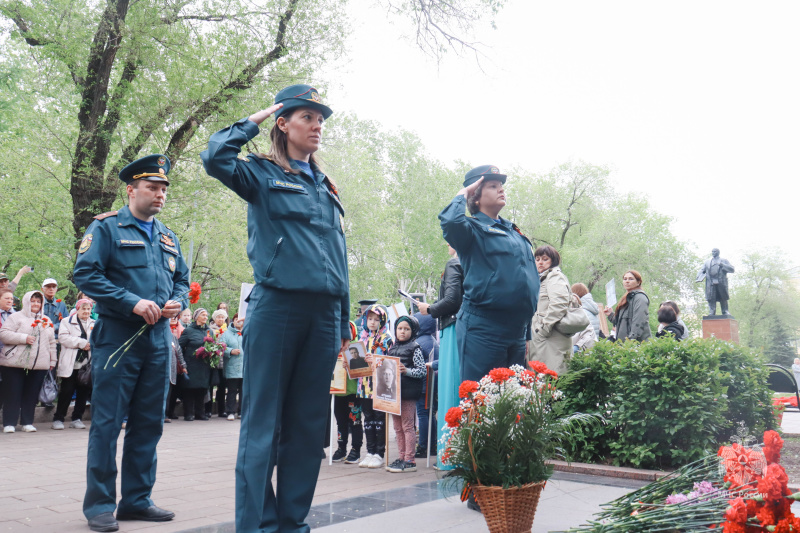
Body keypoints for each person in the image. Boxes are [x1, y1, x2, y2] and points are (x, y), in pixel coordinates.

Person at [200, 84, 351, 532]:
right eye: (307, 116)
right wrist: (257, 117)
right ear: (284, 122)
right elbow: (214, 158)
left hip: (323, 315)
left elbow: (337, 256)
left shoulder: (324, 185)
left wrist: (343, 320)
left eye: (321, 118)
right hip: (278, 307)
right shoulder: (261, 174)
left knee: (307, 429)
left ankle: (292, 523)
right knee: (262, 424)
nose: (318, 124)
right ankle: (257, 526)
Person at [73, 153, 189, 532]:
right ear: (132, 190)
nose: (160, 195)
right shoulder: (106, 228)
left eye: (163, 189)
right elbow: (86, 274)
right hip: (117, 338)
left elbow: (182, 282)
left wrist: (178, 301)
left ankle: (137, 500)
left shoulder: (169, 237)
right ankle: (100, 506)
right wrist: (132, 301)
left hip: (158, 342)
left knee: (149, 424)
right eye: (152, 188)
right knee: (107, 424)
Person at [439, 165, 540, 383]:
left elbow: (526, 286)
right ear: (476, 197)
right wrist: (463, 193)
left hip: (517, 330)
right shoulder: (470, 229)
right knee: (483, 402)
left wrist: (527, 334)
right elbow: (450, 221)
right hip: (484, 329)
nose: (501, 189)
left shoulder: (513, 231)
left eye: (501, 185)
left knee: (514, 405)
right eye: (493, 186)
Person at [415, 244, 462, 468]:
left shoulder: (455, 263)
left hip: (452, 325)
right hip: (467, 326)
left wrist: (430, 308)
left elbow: (452, 299)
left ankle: (450, 455)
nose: (446, 244)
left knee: (450, 387)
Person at [0, 290, 57, 432]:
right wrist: (23, 338)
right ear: (26, 301)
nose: (36, 304)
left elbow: (52, 342)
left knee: (31, 394)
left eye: (38, 301)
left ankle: (27, 422)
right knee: (12, 393)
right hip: (14, 363)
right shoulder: (15, 317)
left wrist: (52, 360)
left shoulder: (47, 320)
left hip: (39, 364)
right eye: (33, 301)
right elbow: (4, 334)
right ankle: (9, 423)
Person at [386, 316, 426, 473]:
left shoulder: (415, 348)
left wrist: (407, 371)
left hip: (408, 392)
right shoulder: (392, 347)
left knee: (407, 426)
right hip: (393, 392)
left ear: (413, 331)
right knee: (397, 427)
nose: (402, 331)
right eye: (400, 328)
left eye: (407, 329)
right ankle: (401, 457)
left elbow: (422, 370)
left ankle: (410, 459)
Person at [357, 304, 392, 468]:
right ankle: (369, 452)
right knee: (368, 419)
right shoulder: (361, 339)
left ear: (382, 321)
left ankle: (379, 453)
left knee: (380, 419)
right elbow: (355, 361)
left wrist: (376, 360)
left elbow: (391, 362)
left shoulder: (386, 338)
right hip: (363, 385)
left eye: (376, 319)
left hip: (380, 385)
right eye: (370, 318)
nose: (372, 322)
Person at [52, 298, 95, 430]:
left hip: (86, 364)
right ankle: (58, 418)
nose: (86, 311)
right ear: (78, 309)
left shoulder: (94, 323)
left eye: (89, 309)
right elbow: (63, 338)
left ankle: (77, 418)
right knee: (67, 391)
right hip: (70, 362)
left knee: (83, 392)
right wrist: (82, 343)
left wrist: (91, 345)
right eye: (84, 309)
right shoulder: (66, 321)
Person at [530, 245, 573, 376]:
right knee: (541, 379)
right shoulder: (541, 278)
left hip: (551, 338)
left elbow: (559, 304)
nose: (540, 262)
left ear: (553, 261)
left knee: (550, 379)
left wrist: (544, 328)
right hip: (543, 338)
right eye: (537, 259)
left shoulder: (554, 277)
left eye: (545, 259)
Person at [333, 321, 363, 465]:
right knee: (340, 422)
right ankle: (341, 448)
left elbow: (361, 372)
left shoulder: (356, 348)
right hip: (338, 393)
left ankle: (356, 450)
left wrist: (350, 365)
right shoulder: (333, 348)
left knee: (355, 421)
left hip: (353, 393)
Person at [179, 309, 213, 421]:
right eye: (203, 315)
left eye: (206, 315)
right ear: (196, 317)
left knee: (202, 388)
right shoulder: (188, 331)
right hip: (191, 363)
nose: (205, 317)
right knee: (189, 388)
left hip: (204, 364)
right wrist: (183, 363)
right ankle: (188, 413)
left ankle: (200, 413)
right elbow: (179, 346)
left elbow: (213, 345)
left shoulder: (209, 331)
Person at [412, 312, 438, 459]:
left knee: (422, 414)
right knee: (430, 414)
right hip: (433, 382)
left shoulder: (419, 343)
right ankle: (432, 444)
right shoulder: (434, 340)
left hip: (423, 384)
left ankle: (423, 445)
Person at [603, 270, 651, 342]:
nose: (627, 281)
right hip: (624, 344)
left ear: (638, 282)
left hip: (636, 345)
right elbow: (622, 323)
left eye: (631, 279)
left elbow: (639, 322)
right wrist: (610, 314)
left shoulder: (640, 298)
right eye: (625, 279)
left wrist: (630, 342)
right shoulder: (627, 298)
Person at [219, 314, 245, 420]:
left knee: (244, 391)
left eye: (240, 320)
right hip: (232, 367)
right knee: (232, 390)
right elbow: (220, 347)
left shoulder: (247, 332)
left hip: (245, 367)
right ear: (233, 321)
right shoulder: (226, 334)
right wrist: (230, 351)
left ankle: (242, 411)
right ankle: (230, 411)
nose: (238, 322)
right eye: (236, 320)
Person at [696, 248, 735, 316]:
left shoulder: (724, 260)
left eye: (715, 251)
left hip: (721, 282)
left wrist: (722, 265)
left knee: (723, 297)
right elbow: (702, 270)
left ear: (718, 252)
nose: (713, 253)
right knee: (711, 297)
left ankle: (725, 311)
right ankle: (712, 311)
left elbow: (732, 269)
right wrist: (698, 276)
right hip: (711, 283)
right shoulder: (707, 262)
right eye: (712, 251)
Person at [165, 317, 188, 422]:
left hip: (172, 370)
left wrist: (183, 366)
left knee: (169, 393)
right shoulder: (160, 334)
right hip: (160, 370)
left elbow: (179, 352)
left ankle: (165, 415)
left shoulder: (173, 337)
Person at [207, 308, 228, 418]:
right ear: (215, 318)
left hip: (224, 362)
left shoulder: (227, 330)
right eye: (219, 317)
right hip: (213, 361)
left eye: (222, 317)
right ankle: (208, 409)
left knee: (222, 386)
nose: (220, 319)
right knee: (211, 385)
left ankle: (222, 410)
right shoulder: (210, 329)